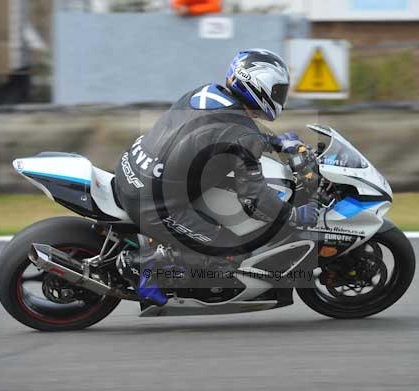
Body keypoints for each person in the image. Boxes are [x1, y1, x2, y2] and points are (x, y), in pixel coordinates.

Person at [114, 49, 318, 305]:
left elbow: (213, 132)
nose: (281, 98)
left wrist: (274, 142)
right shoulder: (241, 133)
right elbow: (253, 198)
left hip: (131, 171)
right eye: (278, 91)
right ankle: (149, 268)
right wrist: (293, 215)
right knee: (228, 251)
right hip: (155, 205)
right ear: (258, 85)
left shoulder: (206, 93)